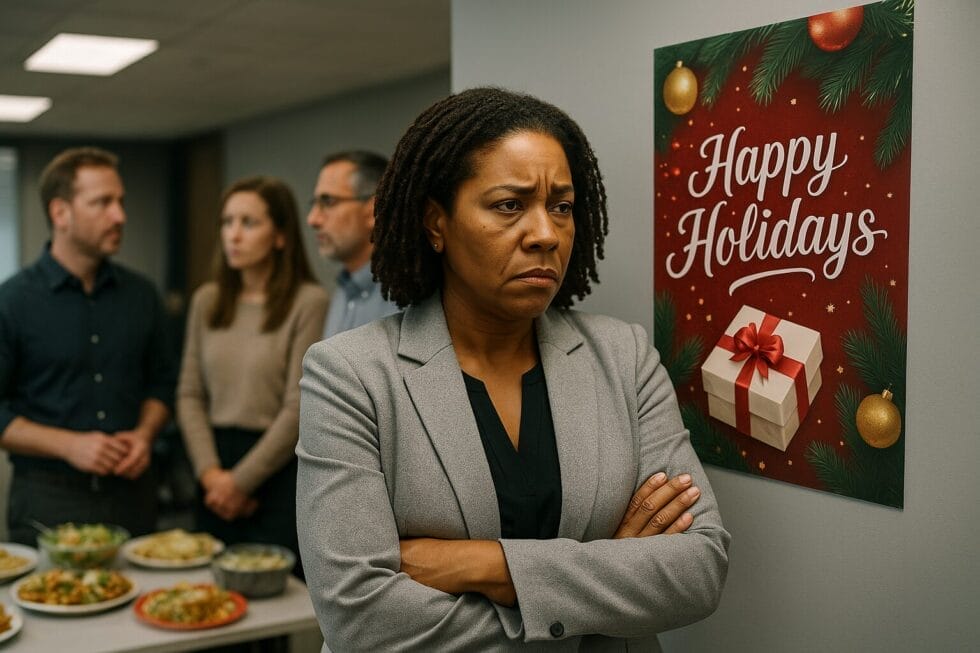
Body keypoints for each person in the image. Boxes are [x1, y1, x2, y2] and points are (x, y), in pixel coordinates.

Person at [297, 88, 731, 651]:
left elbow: (697, 570)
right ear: (436, 224)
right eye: (509, 205)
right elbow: (360, 619)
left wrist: (485, 566)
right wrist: (603, 586)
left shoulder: (623, 356)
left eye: (562, 206)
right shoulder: (350, 375)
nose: (546, 234)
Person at [0, 147, 175, 545]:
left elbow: (163, 383)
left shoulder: (142, 295)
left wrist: (145, 435)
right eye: (103, 203)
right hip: (47, 500)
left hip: (134, 494)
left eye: (121, 202)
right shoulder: (11, 302)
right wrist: (70, 445)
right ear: (60, 213)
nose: (120, 216)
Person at [177, 176, 327, 575]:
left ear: (280, 236)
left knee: (271, 606)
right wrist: (212, 476)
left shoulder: (308, 302)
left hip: (275, 469)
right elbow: (190, 393)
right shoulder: (207, 300)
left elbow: (299, 406)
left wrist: (239, 483)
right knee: (210, 597)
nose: (234, 235)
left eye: (249, 223)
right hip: (211, 464)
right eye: (227, 222)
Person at [306, 150, 398, 338]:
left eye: (328, 202)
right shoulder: (342, 292)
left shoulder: (403, 297)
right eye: (314, 204)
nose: (312, 219)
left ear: (373, 209)